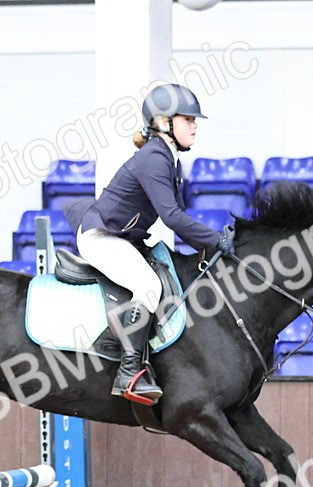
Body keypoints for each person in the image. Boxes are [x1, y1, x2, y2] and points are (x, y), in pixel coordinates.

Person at [66, 83, 235, 405]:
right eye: (188, 120)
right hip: (101, 238)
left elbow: (180, 214)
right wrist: (215, 240)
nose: (195, 126)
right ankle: (129, 373)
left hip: (123, 237)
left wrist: (209, 248)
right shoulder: (154, 158)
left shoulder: (169, 160)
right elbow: (171, 217)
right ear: (163, 122)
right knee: (148, 286)